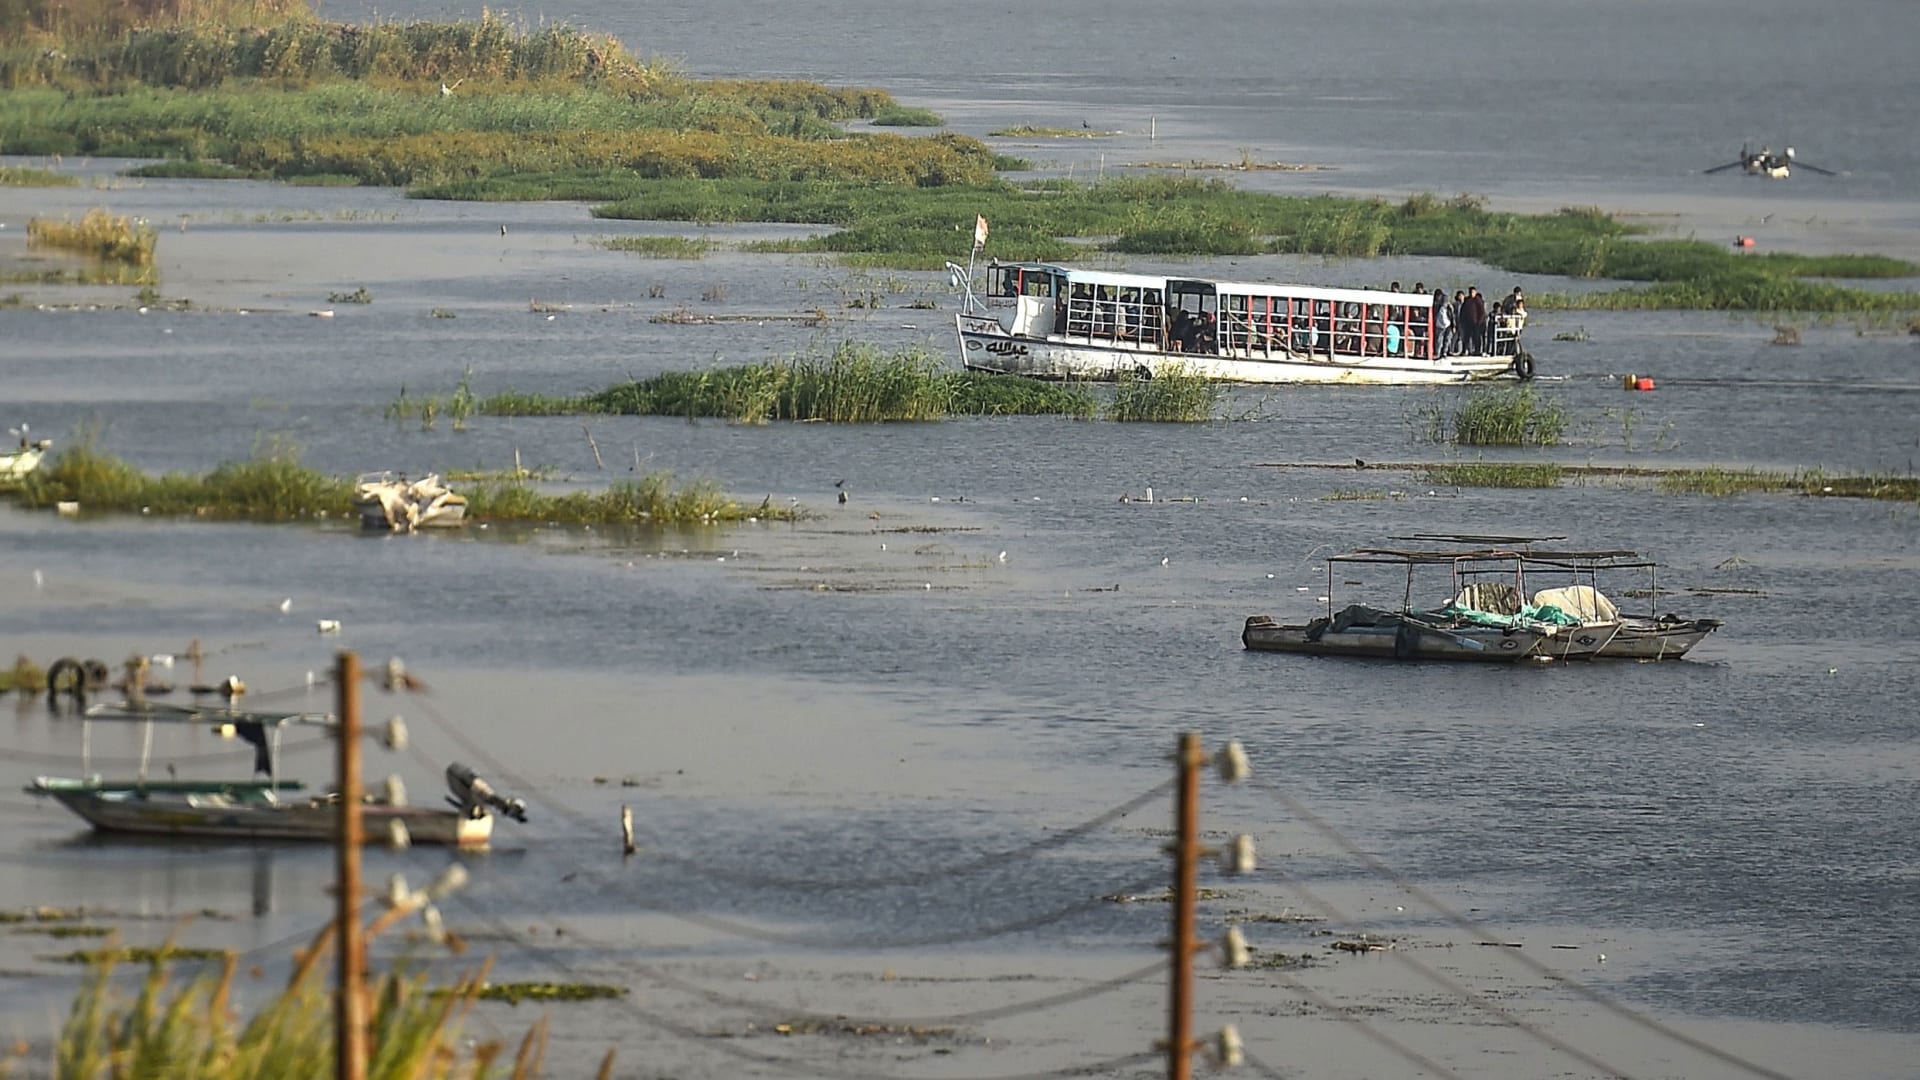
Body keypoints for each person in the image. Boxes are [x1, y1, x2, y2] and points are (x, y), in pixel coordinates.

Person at [1433, 287, 1452, 359]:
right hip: (1439, 324)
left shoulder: (1449, 307)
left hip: (1448, 324)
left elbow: (1452, 315)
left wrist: (1453, 324)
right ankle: (1437, 353)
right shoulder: (1436, 305)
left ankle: (1444, 353)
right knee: (1439, 340)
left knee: (1446, 340)